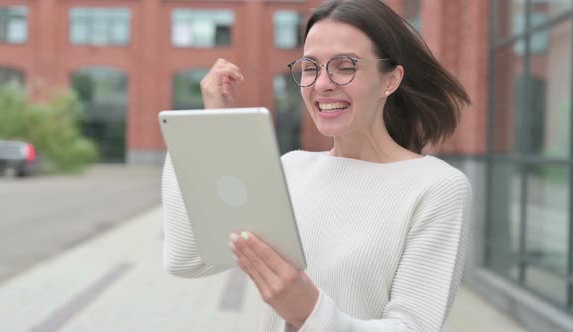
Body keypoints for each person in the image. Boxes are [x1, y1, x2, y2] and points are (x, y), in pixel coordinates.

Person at [162, 0, 473, 331]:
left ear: (390, 80)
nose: (322, 83)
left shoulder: (436, 188)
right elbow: (188, 260)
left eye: (344, 66)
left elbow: (413, 326)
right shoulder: (290, 170)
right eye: (310, 67)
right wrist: (211, 130)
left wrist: (309, 312)